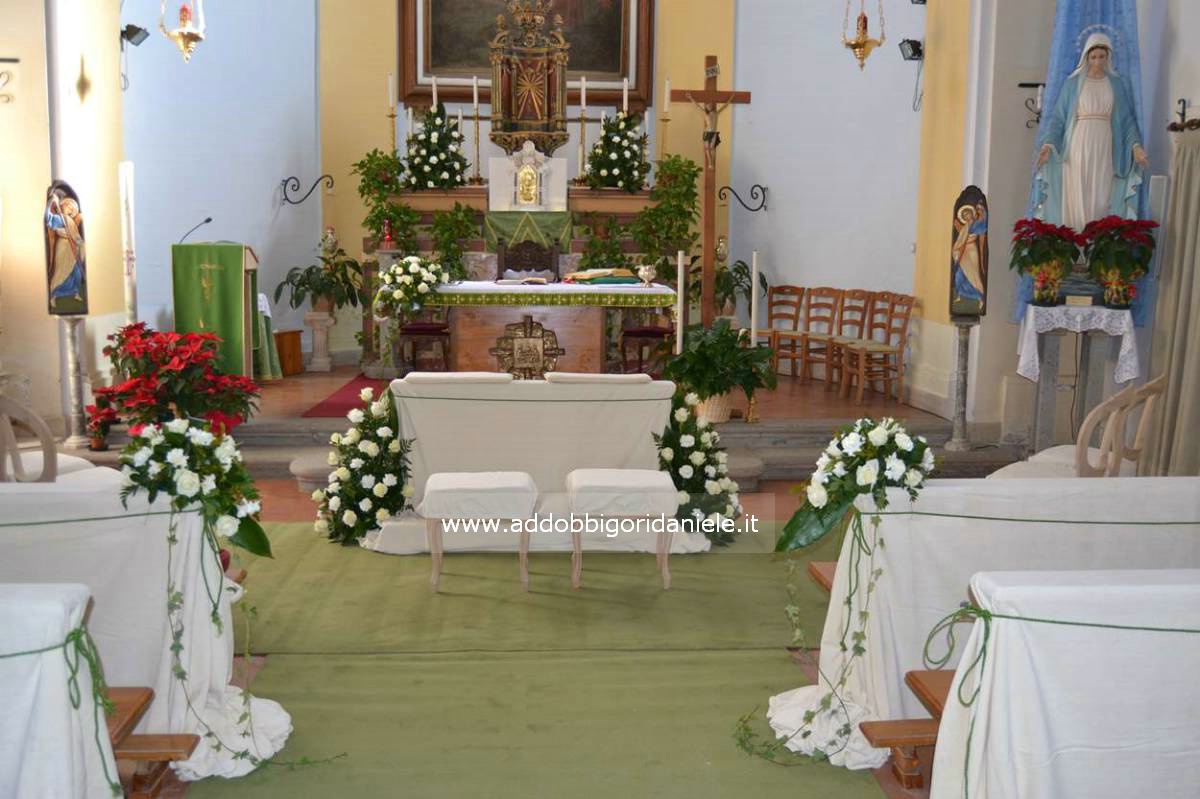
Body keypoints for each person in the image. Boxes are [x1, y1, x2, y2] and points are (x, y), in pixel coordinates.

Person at [1034, 32, 1148, 231]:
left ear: (1108, 57)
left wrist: (1136, 147)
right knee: (1078, 193)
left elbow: (1127, 121)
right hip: (1078, 145)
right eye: (1093, 57)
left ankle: (1096, 247)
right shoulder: (1072, 84)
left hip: (1105, 145)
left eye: (1101, 56)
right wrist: (1048, 145)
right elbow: (1059, 119)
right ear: (1086, 57)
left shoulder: (1116, 84)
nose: (1097, 61)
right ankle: (1075, 244)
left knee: (1101, 194)